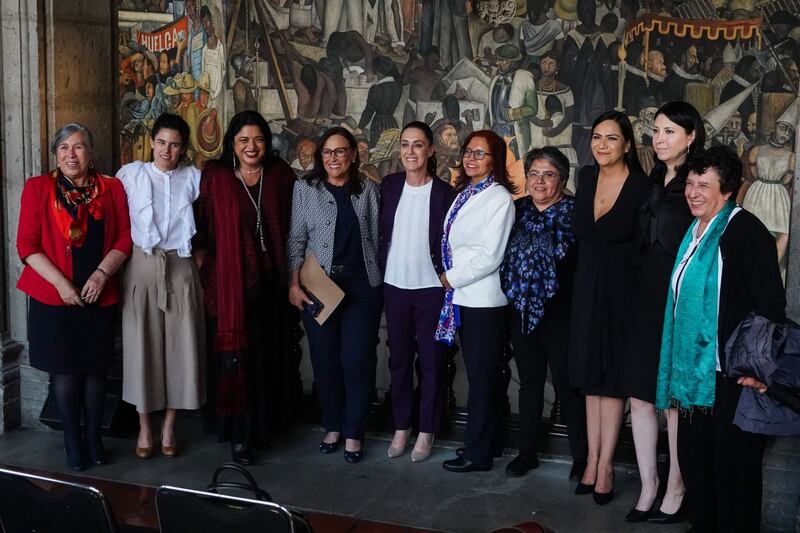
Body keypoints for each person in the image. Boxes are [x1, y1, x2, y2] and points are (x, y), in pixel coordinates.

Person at [656, 146, 786, 533]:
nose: (693, 192)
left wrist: (757, 368)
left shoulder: (745, 231)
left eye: (704, 185)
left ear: (727, 190)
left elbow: (770, 304)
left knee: (735, 469)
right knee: (696, 461)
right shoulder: (695, 230)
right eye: (690, 183)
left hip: (733, 375)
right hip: (694, 375)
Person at [16, 123, 132, 470]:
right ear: (55, 154)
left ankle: (95, 439)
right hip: (54, 298)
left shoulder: (111, 188)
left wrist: (102, 274)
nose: (71, 154)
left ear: (91, 153)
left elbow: (125, 238)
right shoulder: (38, 189)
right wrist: (62, 286)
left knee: (96, 372)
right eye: (64, 147)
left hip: (99, 292)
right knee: (65, 373)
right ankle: (72, 442)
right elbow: (27, 246)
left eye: (78, 147)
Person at [193, 111, 297, 465]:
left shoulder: (281, 175)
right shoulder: (217, 177)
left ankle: (262, 429)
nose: (251, 147)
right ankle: (239, 436)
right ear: (232, 145)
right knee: (237, 359)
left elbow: (294, 227)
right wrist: (207, 269)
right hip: (230, 288)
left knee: (268, 358)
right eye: (243, 140)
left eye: (258, 140)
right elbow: (202, 229)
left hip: (273, 285)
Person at [622, 101, 705, 523]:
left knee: (671, 399)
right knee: (639, 396)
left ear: (691, 137)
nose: (659, 138)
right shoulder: (651, 179)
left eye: (670, 131)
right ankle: (648, 484)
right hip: (641, 297)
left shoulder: (698, 183)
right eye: (656, 130)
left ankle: (677, 484)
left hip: (677, 301)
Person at [286, 127, 382, 463]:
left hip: (360, 287)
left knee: (356, 361)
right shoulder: (305, 190)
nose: (333, 159)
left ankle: (354, 431)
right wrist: (293, 285)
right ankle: (333, 426)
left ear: (353, 154)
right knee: (325, 362)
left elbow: (376, 238)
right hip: (318, 286)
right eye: (327, 152)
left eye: (340, 152)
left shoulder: (368, 190)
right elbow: (296, 240)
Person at [569, 111, 651, 504]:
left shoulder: (641, 187)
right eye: (597, 137)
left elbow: (644, 247)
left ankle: (605, 467)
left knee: (612, 379)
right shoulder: (585, 177)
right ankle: (590, 459)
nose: (602, 145)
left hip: (622, 293)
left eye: (611, 139)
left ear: (628, 145)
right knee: (589, 377)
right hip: (585, 287)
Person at [117, 113, 205, 460]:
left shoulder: (193, 179)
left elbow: (211, 219)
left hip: (180, 266)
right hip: (141, 265)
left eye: (175, 144)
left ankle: (170, 426)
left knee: (181, 348)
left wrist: (200, 258)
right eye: (162, 142)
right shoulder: (131, 175)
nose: (167, 150)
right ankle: (144, 427)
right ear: (152, 142)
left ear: (183, 149)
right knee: (143, 347)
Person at [500, 147, 587, 479]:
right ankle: (527, 452)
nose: (539, 181)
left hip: (562, 314)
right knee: (530, 383)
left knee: (568, 387)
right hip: (521, 311)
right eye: (534, 173)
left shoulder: (576, 213)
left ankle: (582, 459)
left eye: (548, 174)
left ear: (562, 180)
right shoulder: (516, 209)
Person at [437, 130, 516, 473]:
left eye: (480, 154)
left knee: (482, 378)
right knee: (482, 376)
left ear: (495, 159)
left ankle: (477, 453)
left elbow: (490, 256)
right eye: (468, 152)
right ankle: (489, 442)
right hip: (464, 297)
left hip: (483, 300)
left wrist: (449, 278)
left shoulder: (498, 198)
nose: (471, 158)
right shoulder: (466, 193)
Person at [380, 122, 455, 462]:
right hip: (395, 286)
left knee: (431, 363)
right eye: (406, 145)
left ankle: (426, 430)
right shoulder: (390, 185)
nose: (411, 151)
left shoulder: (444, 193)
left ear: (431, 151)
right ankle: (401, 427)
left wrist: (447, 275)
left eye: (418, 145)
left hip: (430, 290)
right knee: (398, 361)